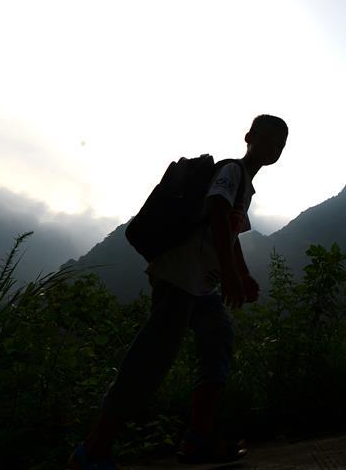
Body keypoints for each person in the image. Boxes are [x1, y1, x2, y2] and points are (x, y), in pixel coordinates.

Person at [69, 114, 288, 470]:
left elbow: (230, 235)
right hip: (179, 275)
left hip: (201, 284)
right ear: (249, 137)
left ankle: (199, 437)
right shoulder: (232, 171)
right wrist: (230, 275)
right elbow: (217, 209)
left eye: (279, 144)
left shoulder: (245, 188)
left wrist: (243, 274)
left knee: (218, 338)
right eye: (266, 139)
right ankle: (93, 449)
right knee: (153, 357)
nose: (272, 148)